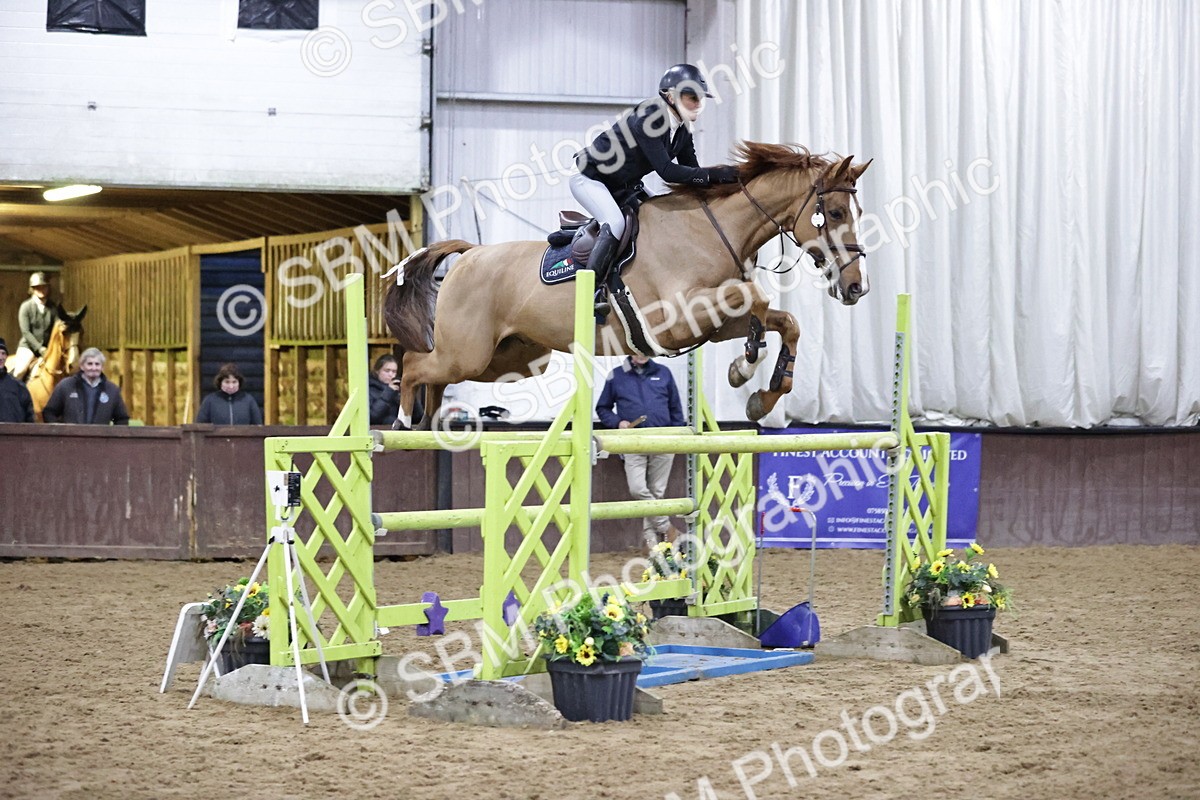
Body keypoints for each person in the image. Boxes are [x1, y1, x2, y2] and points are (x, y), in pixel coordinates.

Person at [571, 64, 740, 316]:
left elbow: (691, 172)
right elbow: (667, 171)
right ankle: (591, 291)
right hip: (591, 181)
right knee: (615, 223)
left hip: (625, 186)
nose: (697, 104)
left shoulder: (682, 130)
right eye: (691, 97)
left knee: (661, 215)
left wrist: (728, 186)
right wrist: (717, 173)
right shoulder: (650, 116)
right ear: (670, 96)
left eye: (700, 99)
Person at [596, 354, 687, 545]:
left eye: (646, 349)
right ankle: (667, 528)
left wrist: (677, 437)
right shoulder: (616, 375)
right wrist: (617, 422)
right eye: (638, 349)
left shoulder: (664, 373)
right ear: (630, 350)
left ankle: (650, 542)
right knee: (637, 488)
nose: (642, 353)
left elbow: (676, 409)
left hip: (663, 441)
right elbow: (602, 408)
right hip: (632, 441)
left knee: (656, 491)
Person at [43, 347, 129, 425]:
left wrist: (112, 438)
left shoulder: (112, 390)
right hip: (71, 440)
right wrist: (60, 430)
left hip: (100, 440)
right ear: (82, 366)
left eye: (97, 364)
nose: (93, 368)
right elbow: (49, 412)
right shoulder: (65, 386)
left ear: (102, 367)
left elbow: (122, 419)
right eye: (90, 364)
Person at [9, 271, 56, 380]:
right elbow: (26, 332)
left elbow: (56, 328)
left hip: (48, 348)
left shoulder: (53, 307)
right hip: (28, 347)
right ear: (32, 289)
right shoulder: (26, 307)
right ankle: (12, 393)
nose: (41, 290)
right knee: (20, 371)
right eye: (38, 287)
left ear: (48, 288)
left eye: (44, 287)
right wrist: (40, 349)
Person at [195, 363, 262, 425]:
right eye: (227, 382)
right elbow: (200, 425)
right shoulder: (209, 401)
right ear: (220, 382)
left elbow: (258, 425)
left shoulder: (249, 400)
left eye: (234, 382)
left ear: (239, 382)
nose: (231, 386)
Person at [369, 353, 424, 426]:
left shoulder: (398, 389)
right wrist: (389, 392)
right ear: (377, 371)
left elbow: (418, 417)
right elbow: (373, 416)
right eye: (387, 371)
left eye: (394, 371)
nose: (391, 374)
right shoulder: (369, 388)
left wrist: (411, 397)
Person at [0, 338, 34, 423]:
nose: (1, 357)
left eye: (3, 353)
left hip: (14, 435)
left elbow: (29, 418)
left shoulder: (19, 386)